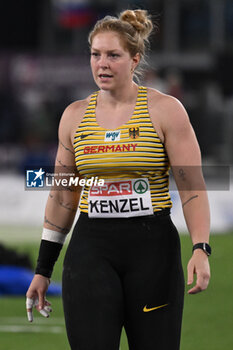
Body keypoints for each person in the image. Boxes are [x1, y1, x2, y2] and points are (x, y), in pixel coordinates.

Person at [26, 9, 211, 350]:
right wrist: (42, 268)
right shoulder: (74, 117)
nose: (102, 63)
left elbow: (192, 188)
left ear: (134, 59)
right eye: (96, 54)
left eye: (113, 55)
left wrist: (201, 247)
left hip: (152, 253)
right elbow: (63, 197)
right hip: (90, 252)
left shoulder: (165, 110)